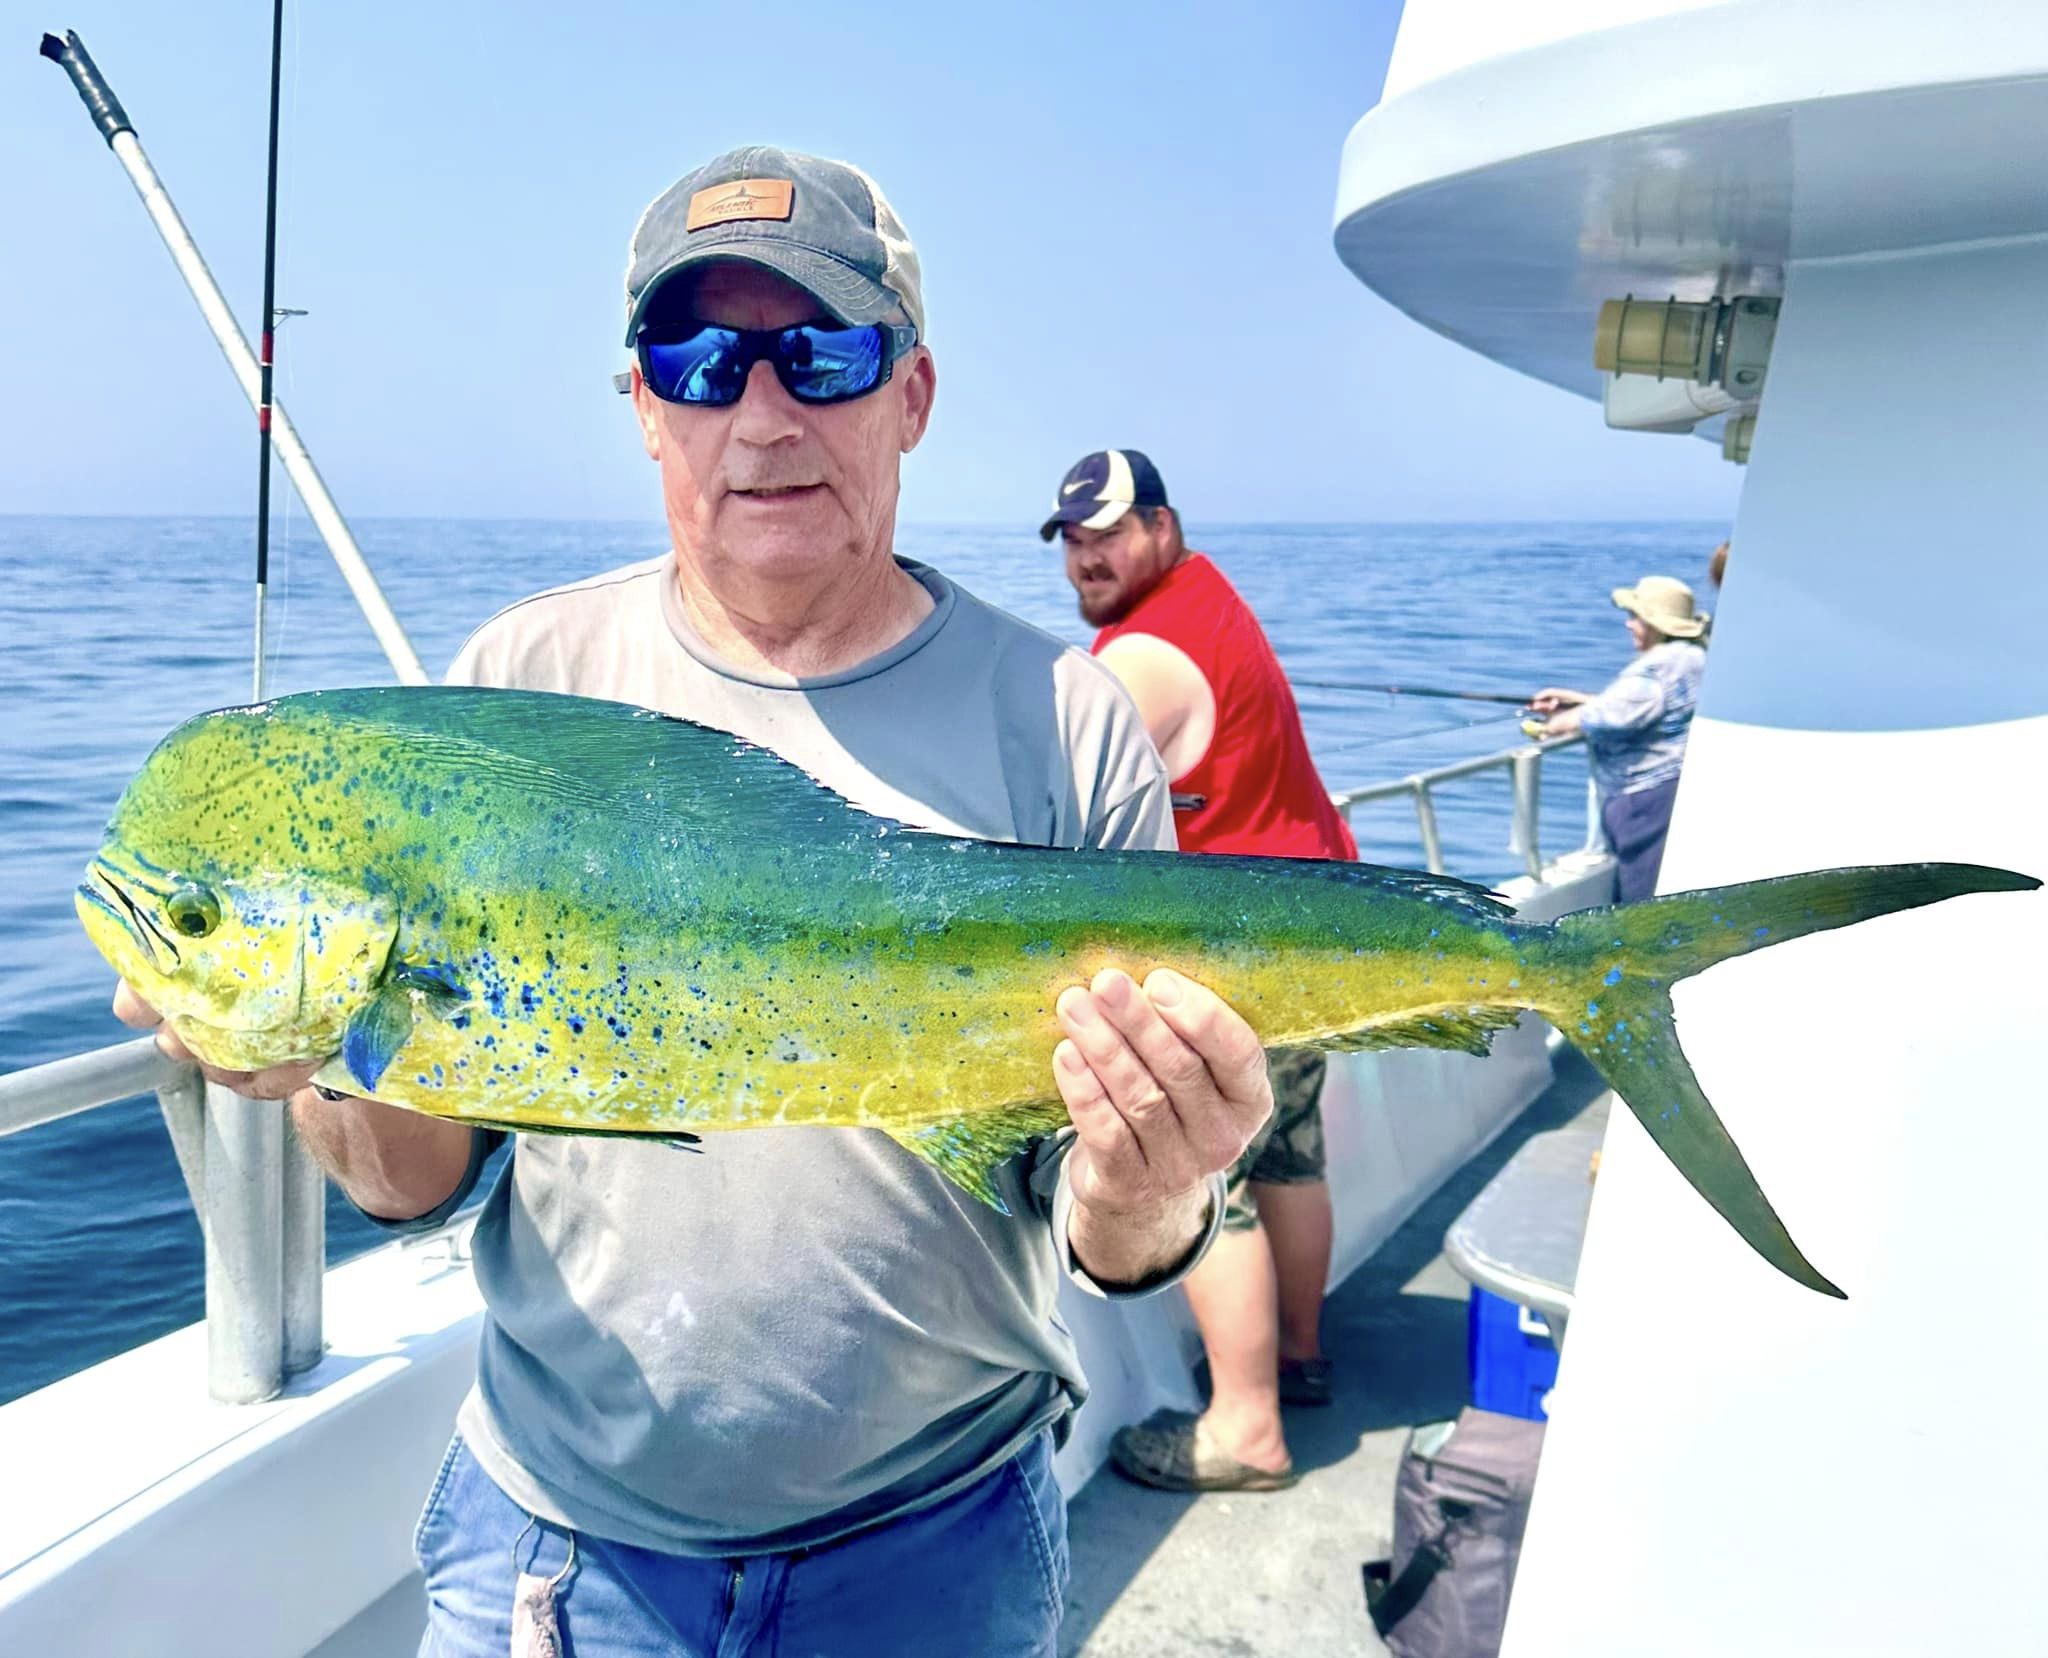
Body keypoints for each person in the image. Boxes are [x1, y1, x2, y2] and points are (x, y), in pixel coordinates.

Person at [110, 148, 1280, 1657]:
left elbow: (1105, 1241)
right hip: (562, 1549)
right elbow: (414, 1180)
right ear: (646, 405)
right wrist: (321, 1060)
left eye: (825, 352)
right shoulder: (513, 687)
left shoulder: (1062, 715)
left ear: (911, 394)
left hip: (942, 1551)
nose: (765, 413)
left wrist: (1153, 1181)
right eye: (703, 359)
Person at [1042, 450, 1358, 1494]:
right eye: (1073, 539)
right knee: (1288, 1164)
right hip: (1314, 932)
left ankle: (1245, 1426)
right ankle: (1300, 1354)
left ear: (1162, 527)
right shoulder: (1211, 600)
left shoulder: (1142, 656)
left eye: (1109, 533)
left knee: (1204, 1178)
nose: (1088, 556)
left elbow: (1046, 807)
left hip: (1239, 968)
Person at [1530, 574, 1709, 901]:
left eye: (1635, 617)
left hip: (1645, 801)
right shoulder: (1694, 657)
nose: (1629, 625)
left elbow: (1607, 715)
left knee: (1641, 903)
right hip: (1675, 787)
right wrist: (1579, 698)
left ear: (1656, 623)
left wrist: (1558, 722)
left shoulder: (1656, 667)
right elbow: (1648, 705)